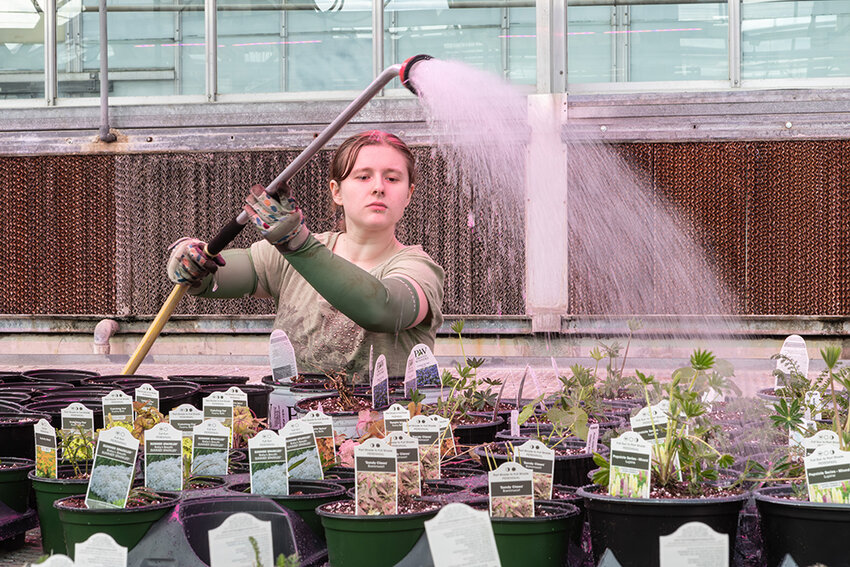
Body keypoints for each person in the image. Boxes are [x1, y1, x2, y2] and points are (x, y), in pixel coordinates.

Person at [166, 131, 445, 381]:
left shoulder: (418, 268)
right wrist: (188, 261)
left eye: (392, 178)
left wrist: (297, 244)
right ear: (336, 192)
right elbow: (216, 275)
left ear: (408, 195)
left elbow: (382, 309)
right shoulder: (288, 255)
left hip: (384, 430)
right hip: (295, 427)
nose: (378, 187)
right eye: (363, 176)